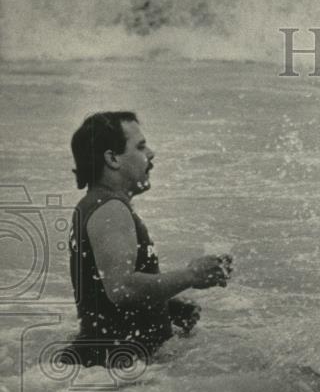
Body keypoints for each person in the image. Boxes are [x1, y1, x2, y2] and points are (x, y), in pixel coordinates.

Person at [64, 112, 233, 367]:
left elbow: (102, 294)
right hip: (116, 369)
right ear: (112, 158)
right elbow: (122, 288)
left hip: (106, 362)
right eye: (141, 147)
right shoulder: (110, 209)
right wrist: (191, 276)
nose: (151, 153)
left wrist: (165, 306)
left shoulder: (96, 205)